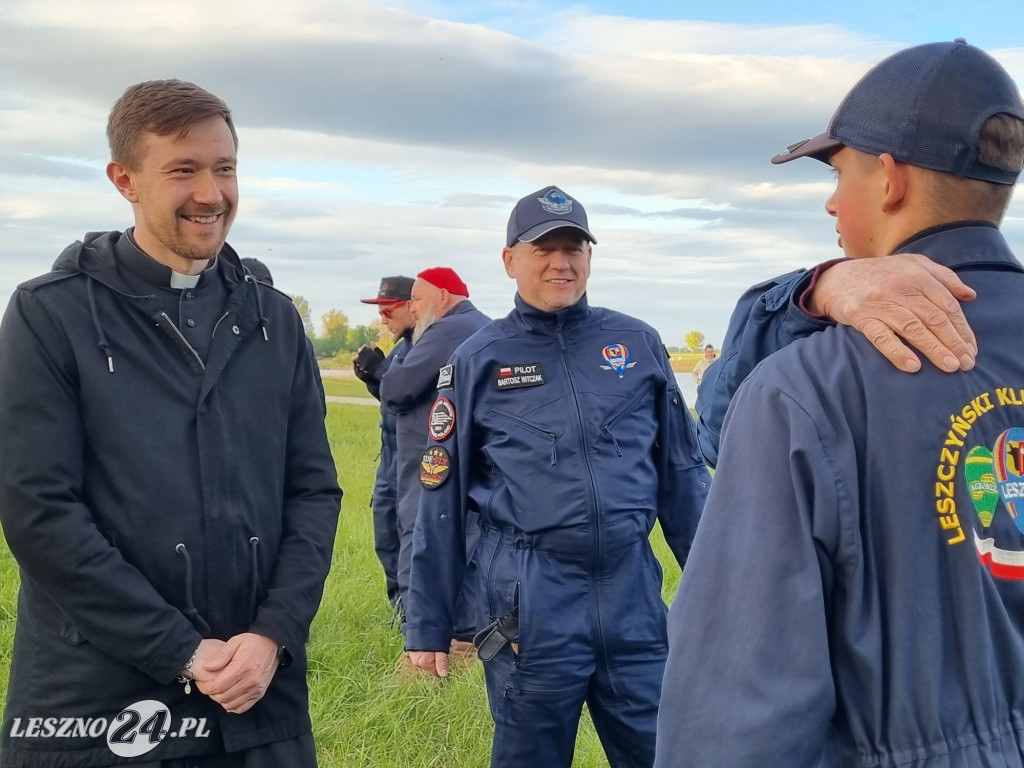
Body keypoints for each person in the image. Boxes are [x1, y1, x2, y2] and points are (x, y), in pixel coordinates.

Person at [656, 40, 1024, 767]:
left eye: (838, 171)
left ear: (889, 181)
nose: (830, 200)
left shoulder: (807, 387)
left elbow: (736, 713)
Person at [0, 79, 342, 768]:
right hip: (99, 700)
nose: (211, 194)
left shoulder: (272, 320)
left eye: (225, 168)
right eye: (183, 170)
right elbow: (40, 511)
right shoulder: (51, 317)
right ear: (124, 179)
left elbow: (312, 492)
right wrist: (179, 649)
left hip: (257, 695)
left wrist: (273, 633)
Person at [406, 186, 710, 768]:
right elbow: (439, 502)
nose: (560, 262)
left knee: (665, 753)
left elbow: (683, 477)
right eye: (542, 248)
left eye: (574, 247)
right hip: (531, 606)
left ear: (590, 257)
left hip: (634, 601)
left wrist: (725, 591)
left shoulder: (638, 344)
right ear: (509, 260)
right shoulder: (478, 360)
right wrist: (429, 622)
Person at [378, 266, 489, 650]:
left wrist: (388, 365)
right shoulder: (483, 326)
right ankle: (467, 634)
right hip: (470, 460)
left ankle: (421, 642)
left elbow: (395, 389)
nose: (413, 307)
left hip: (431, 463)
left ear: (442, 297)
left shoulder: (447, 329)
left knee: (419, 538)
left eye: (418, 299)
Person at [353, 275, 416, 613]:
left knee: (409, 539)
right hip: (389, 459)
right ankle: (401, 612)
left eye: (389, 310)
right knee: (386, 535)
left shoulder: (428, 347)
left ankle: (415, 618)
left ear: (412, 306)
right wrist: (372, 379)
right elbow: (393, 400)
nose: (383, 319)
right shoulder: (401, 349)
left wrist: (379, 373)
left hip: (412, 462)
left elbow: (417, 401)